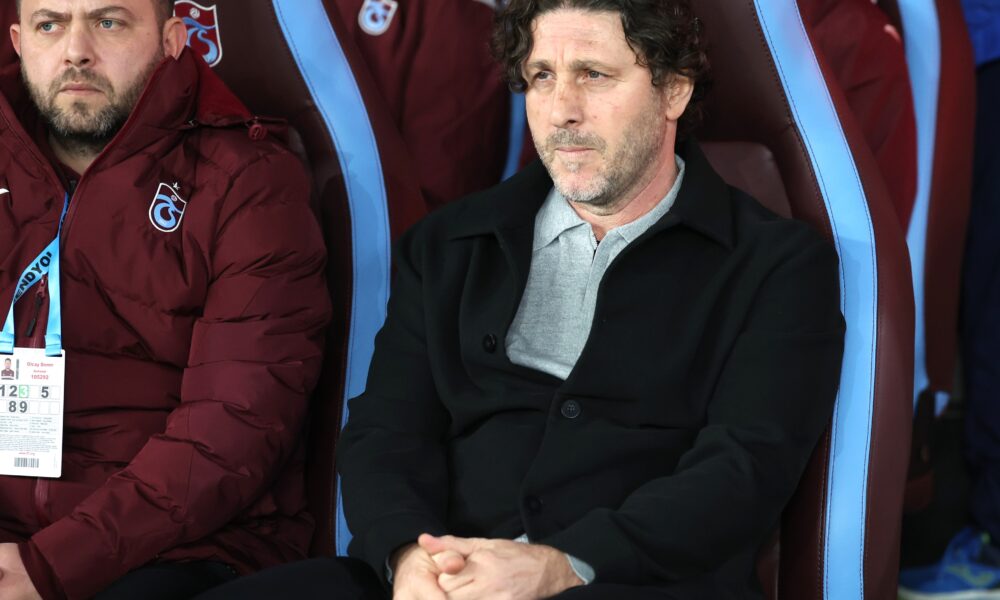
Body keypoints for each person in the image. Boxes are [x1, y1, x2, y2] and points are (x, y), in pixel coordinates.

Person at [197, 1, 845, 598]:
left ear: (673, 90)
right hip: (441, 578)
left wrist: (560, 564)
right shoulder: (448, 245)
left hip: (635, 581)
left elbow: (743, 470)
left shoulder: (777, 266)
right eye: (541, 77)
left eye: (593, 75)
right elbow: (385, 433)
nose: (562, 110)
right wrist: (408, 557)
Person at [0, 1, 330, 599]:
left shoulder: (249, 183)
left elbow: (234, 427)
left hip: (185, 551)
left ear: (173, 41)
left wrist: (51, 566)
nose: (76, 52)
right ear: (20, 44)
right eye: (51, 25)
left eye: (109, 22)